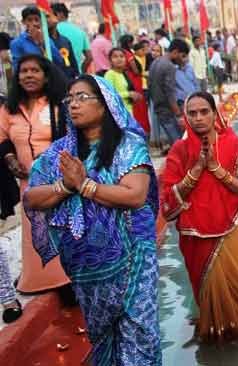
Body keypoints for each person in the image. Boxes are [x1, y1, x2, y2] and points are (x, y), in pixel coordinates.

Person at [24, 74, 161, 365]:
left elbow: (136, 194)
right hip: (87, 269)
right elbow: (32, 198)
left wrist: (86, 185)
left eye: (82, 97)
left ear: (105, 104)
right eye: (69, 98)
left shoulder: (127, 145)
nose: (73, 105)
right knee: (103, 339)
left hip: (132, 259)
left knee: (139, 338)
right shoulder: (60, 153)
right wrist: (65, 186)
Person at [160, 91, 238, 342]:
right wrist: (196, 170)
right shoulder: (179, 152)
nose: (199, 118)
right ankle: (214, 339)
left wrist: (216, 169)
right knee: (208, 306)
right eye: (192, 113)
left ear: (215, 114)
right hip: (196, 237)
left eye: (205, 112)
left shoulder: (232, 143)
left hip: (231, 231)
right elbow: (167, 205)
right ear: (185, 118)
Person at [0, 55, 71, 296]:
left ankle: (67, 280)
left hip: (57, 181)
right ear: (17, 77)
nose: (29, 75)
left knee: (61, 228)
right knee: (35, 231)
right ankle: (38, 279)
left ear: (46, 76)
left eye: (35, 71)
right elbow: (2, 139)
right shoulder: (9, 109)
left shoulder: (58, 106)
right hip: (27, 182)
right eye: (24, 71)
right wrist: (10, 159)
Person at [149, 38, 190, 154]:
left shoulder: (155, 62)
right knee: (180, 145)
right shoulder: (169, 66)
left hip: (159, 108)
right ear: (175, 52)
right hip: (168, 111)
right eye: (182, 56)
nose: (183, 60)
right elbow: (170, 93)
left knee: (175, 143)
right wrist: (178, 114)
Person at [10, 6, 64, 72]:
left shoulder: (47, 40)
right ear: (23, 22)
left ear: (41, 21)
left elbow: (59, 60)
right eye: (29, 20)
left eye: (36, 20)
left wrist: (42, 43)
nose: (34, 23)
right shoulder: (17, 43)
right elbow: (17, 67)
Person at [52, 3, 92, 73]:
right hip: (76, 75)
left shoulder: (52, 30)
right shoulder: (80, 31)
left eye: (49, 15)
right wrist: (82, 70)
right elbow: (89, 57)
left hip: (58, 74)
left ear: (59, 14)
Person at [104, 48, 141, 114]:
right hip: (118, 113)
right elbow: (108, 95)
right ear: (110, 60)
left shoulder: (123, 73)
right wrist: (128, 94)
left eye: (122, 56)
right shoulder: (110, 74)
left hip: (128, 111)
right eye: (115, 57)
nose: (119, 59)